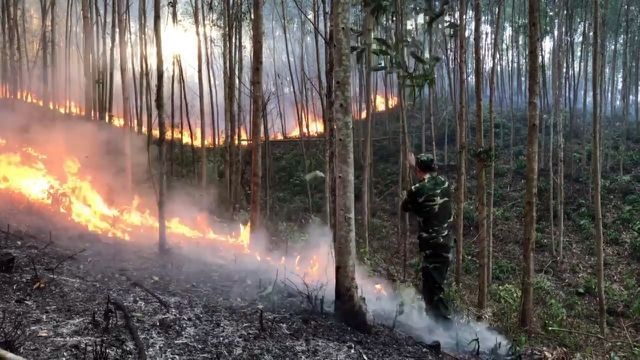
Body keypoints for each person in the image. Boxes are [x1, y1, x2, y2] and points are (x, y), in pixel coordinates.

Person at [401, 153, 453, 320]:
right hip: (446, 244)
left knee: (433, 290)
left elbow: (406, 206)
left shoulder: (417, 190)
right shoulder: (445, 183)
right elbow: (429, 184)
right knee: (432, 287)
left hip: (432, 246)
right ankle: (435, 327)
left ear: (418, 170)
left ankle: (446, 331)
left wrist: (406, 194)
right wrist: (414, 166)